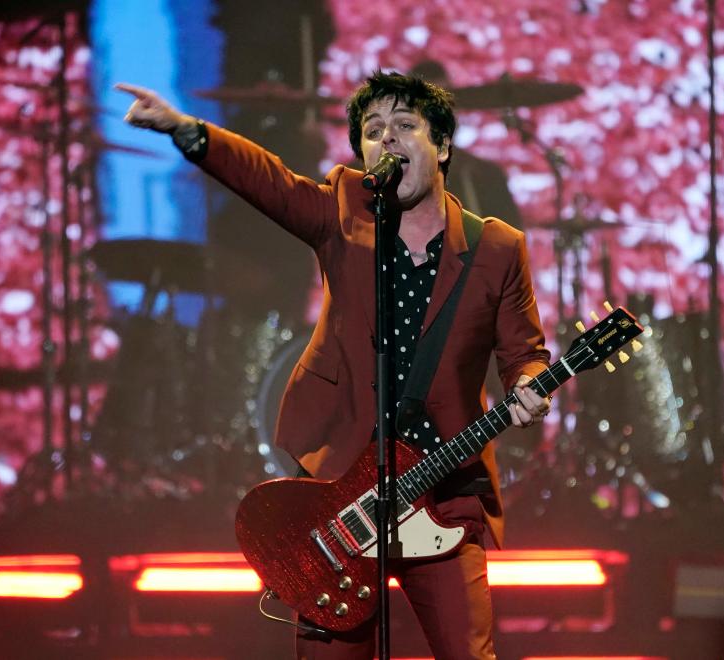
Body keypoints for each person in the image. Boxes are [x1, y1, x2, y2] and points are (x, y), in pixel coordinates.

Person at [116, 71, 552, 660]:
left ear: (442, 145)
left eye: (405, 127)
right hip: (339, 490)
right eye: (373, 132)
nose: (388, 142)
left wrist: (529, 388)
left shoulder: (496, 248)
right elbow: (271, 183)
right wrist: (187, 132)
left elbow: (525, 354)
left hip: (444, 490)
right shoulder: (345, 215)